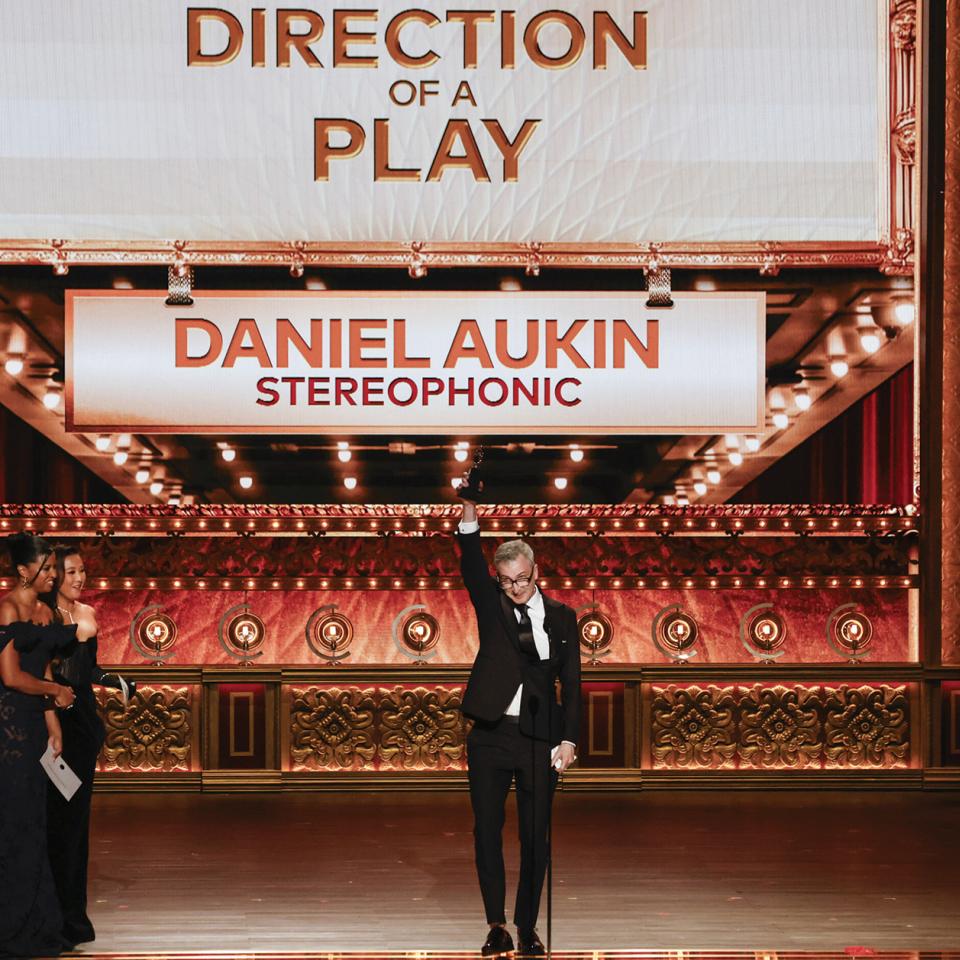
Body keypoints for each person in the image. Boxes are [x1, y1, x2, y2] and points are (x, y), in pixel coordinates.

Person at [457, 497, 581, 958]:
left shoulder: (563, 618)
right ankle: (496, 926)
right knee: (486, 830)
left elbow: (572, 683)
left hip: (539, 740)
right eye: (505, 581)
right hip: (490, 736)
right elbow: (470, 560)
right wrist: (470, 509)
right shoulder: (491, 606)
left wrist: (569, 740)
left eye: (521, 580)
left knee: (535, 835)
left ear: (536, 572)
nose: (514, 588)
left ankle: (527, 926)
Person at [44, 546, 136, 947]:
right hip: (49, 725)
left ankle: (72, 922)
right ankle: (45, 916)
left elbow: (87, 669)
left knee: (75, 825)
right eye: (71, 571)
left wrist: (116, 681)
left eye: (83, 570)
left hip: (82, 728)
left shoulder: (88, 613)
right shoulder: (41, 617)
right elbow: (44, 672)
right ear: (52, 574)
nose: (80, 578)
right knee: (49, 822)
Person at [0, 533, 77, 958]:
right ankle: (9, 923)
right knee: (13, 822)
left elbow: (44, 666)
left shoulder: (46, 612)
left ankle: (37, 922)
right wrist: (54, 691)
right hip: (8, 725)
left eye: (54, 568)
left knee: (35, 822)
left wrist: (53, 723)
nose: (53, 575)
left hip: (34, 723)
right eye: (47, 568)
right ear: (24, 570)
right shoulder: (6, 607)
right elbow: (10, 676)